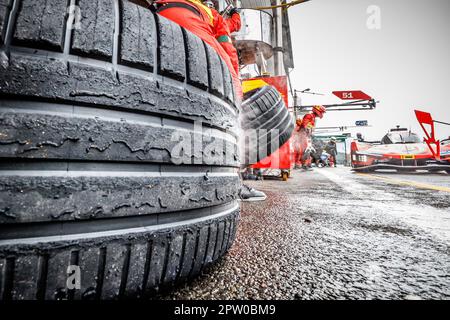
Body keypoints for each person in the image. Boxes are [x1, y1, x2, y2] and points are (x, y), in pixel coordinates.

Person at [154, 0, 242, 98]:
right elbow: (228, 46)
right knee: (229, 76)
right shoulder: (213, 15)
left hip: (158, 15)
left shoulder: (194, 5)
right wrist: (236, 83)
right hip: (190, 22)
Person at [293, 105, 326, 170]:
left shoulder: (312, 118)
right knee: (304, 150)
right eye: (321, 112)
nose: (321, 114)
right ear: (317, 111)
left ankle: (304, 164)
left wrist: (309, 134)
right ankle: (303, 164)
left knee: (305, 150)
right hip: (302, 134)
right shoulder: (309, 116)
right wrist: (307, 133)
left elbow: (309, 127)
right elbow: (304, 125)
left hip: (305, 135)